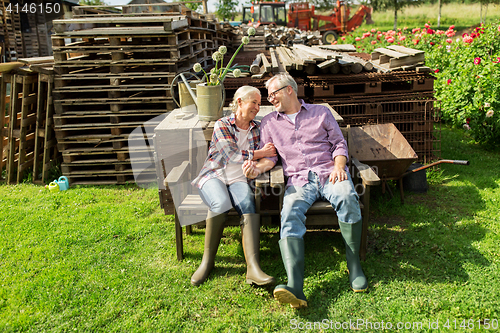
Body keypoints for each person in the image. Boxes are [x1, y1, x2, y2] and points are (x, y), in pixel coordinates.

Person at [242, 73, 368, 308]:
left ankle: (354, 266)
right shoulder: (269, 122)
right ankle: (295, 285)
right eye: (268, 96)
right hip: (298, 180)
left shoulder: (321, 112)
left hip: (329, 172)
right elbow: (270, 157)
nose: (270, 99)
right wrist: (256, 169)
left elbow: (339, 144)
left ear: (289, 90)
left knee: (347, 198)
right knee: (289, 213)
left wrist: (339, 166)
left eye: (273, 93)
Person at [190, 85, 277, 287]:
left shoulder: (258, 127)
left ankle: (253, 268)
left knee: (247, 203)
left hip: (240, 179)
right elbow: (232, 155)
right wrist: (259, 153)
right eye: (253, 102)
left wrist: (257, 167)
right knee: (220, 202)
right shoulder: (222, 124)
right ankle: (207, 262)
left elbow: (272, 154)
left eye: (259, 102)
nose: (258, 106)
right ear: (239, 102)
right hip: (214, 175)